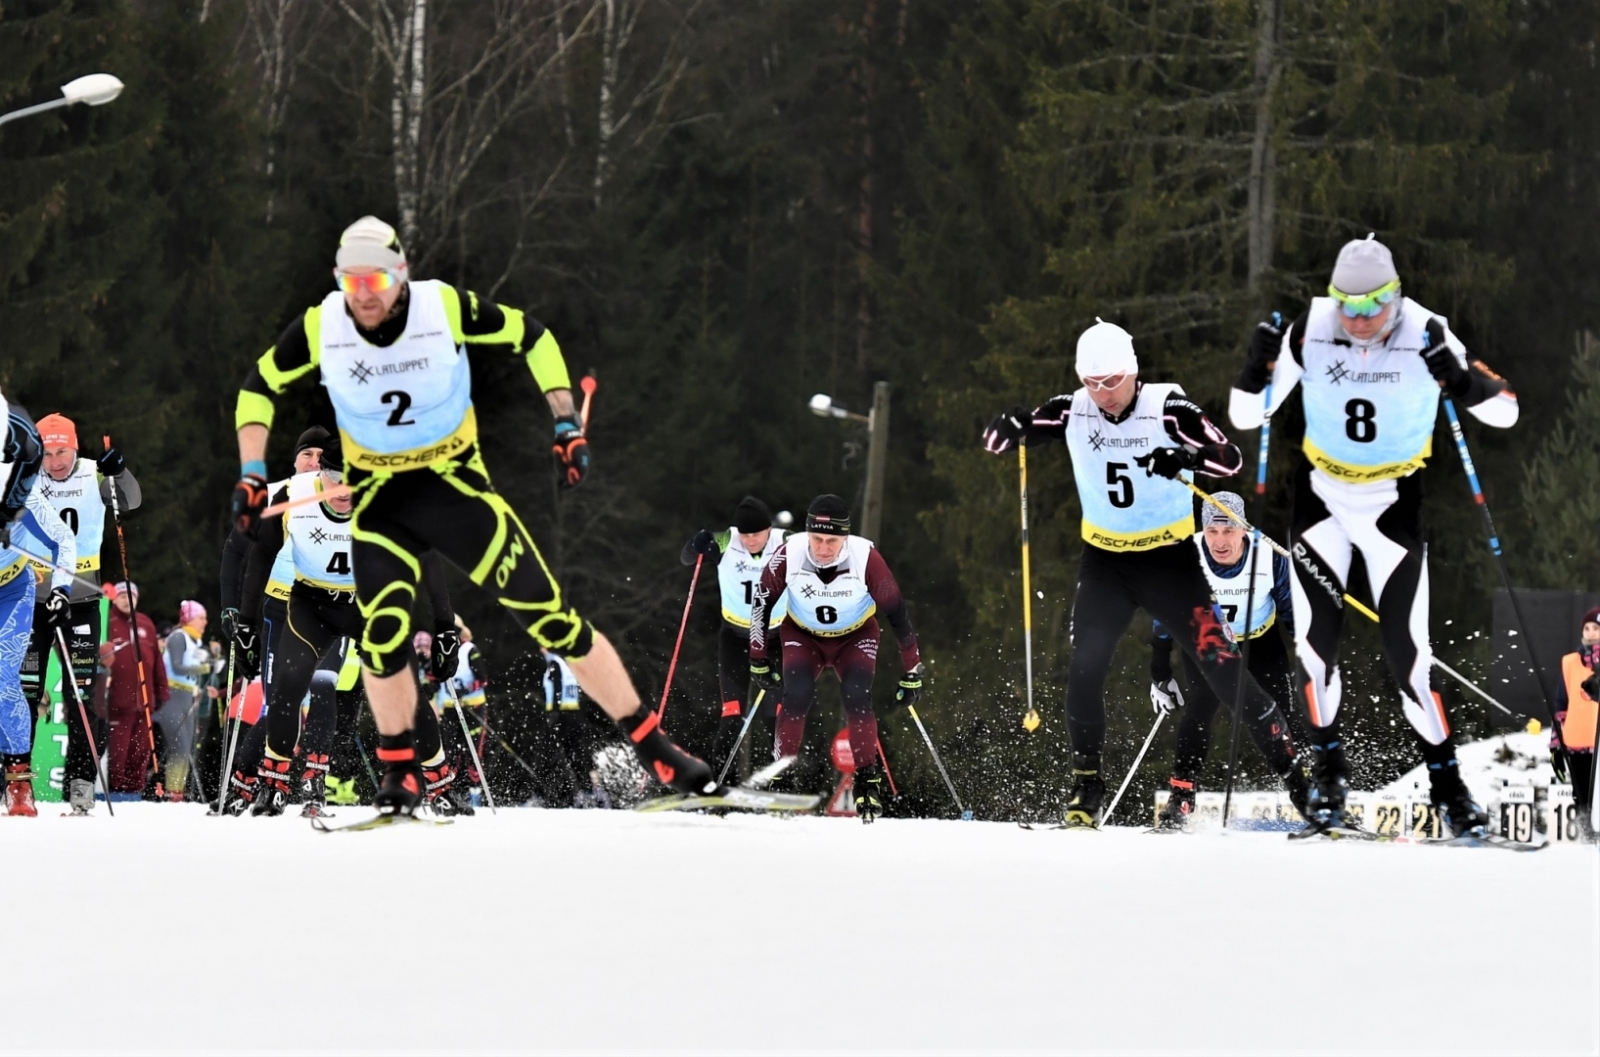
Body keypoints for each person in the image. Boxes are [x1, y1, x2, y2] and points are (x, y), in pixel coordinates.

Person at [228, 216, 713, 816]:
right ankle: (400, 769)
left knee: (554, 621)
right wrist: (252, 469)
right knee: (382, 638)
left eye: (378, 277)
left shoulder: (442, 307)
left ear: (401, 273)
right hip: (380, 501)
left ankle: (652, 744)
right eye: (352, 282)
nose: (367, 294)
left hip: (455, 489)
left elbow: (533, 337)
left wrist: (563, 420)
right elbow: (258, 386)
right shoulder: (321, 323)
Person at [1230, 235, 1520, 837]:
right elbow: (1245, 415)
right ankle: (1329, 781)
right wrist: (1253, 368)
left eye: (1374, 305)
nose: (1360, 321)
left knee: (1410, 660)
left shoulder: (1427, 329)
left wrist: (1461, 381)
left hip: (1392, 502)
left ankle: (1450, 790)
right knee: (1314, 651)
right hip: (1323, 500)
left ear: (1397, 295)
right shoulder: (1310, 327)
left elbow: (1508, 410)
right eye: (1348, 306)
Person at [983, 318, 1284, 828]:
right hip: (1105, 563)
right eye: (1091, 382)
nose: (1102, 394)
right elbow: (997, 443)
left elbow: (1229, 459)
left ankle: (1302, 780)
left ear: (1133, 371)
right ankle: (1086, 789)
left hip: (1168, 561)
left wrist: (1185, 456)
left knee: (1223, 667)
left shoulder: (1169, 408)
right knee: (1084, 670)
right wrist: (1010, 428)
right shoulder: (1072, 409)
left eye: (1112, 381)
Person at [747, 494, 923, 823]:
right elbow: (761, 602)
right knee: (796, 695)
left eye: (832, 540)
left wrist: (912, 668)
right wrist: (758, 657)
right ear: (807, 534)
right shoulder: (790, 553)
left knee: (857, 696)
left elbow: (897, 613)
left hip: (855, 637)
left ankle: (867, 779)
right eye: (817, 539)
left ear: (846, 538)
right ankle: (782, 776)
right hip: (803, 635)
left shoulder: (865, 558)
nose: (823, 548)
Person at [1149, 492, 1307, 829]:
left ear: (1244, 529)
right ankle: (1181, 799)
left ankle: (1311, 796)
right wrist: (1160, 671)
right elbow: (1163, 617)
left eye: (1229, 530)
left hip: (1260, 642)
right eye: (1212, 531)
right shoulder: (1186, 556)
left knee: (1284, 711)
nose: (1220, 541)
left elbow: (1293, 611)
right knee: (1201, 706)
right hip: (1209, 643)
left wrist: (1309, 654)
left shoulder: (1269, 556)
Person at [10, 413, 139, 814]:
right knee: (25, 689)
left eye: (61, 451)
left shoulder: (91, 473)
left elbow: (131, 500)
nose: (54, 461)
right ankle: (17, 780)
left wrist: (120, 472)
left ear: (75, 447)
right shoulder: (26, 475)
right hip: (31, 596)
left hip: (81, 595)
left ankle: (81, 783)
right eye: (47, 453)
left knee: (80, 693)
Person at [215, 426, 329, 808]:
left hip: (326, 609)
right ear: (295, 459)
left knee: (324, 690)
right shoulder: (275, 494)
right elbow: (235, 554)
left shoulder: (343, 496)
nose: (315, 462)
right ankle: (245, 781)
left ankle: (313, 783)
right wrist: (232, 607)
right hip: (277, 610)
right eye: (307, 454)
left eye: (321, 457)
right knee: (280, 701)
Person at [1, 401, 76, 816]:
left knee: (3, 677)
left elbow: (62, 541)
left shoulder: (19, 488)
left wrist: (62, 589)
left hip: (11, 590)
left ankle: (18, 782)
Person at [681, 496, 786, 773]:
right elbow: (687, 558)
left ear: (769, 529)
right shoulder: (727, 540)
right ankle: (719, 787)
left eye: (757, 534)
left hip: (776, 639)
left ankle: (783, 786)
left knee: (775, 717)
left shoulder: (786, 542)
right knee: (731, 716)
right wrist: (696, 543)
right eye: (746, 535)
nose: (751, 540)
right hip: (735, 639)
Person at [102, 581, 169, 797]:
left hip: (144, 701)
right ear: (114, 598)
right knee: (117, 750)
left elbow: (156, 661)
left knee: (140, 751)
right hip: (116, 702)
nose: (126, 600)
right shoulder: (106, 620)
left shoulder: (145, 623)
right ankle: (113, 791)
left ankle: (134, 792)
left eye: (131, 596)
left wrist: (162, 690)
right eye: (122, 595)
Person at [1551, 607, 1599, 840]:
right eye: (1587, 628)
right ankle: (1585, 836)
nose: (1590, 634)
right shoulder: (1570, 662)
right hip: (1577, 743)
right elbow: (1561, 706)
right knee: (1582, 798)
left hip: (1598, 744)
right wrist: (1555, 746)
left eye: (1596, 629)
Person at [157, 601, 212, 801]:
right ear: (189, 618)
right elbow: (178, 666)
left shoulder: (196, 641)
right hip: (171, 696)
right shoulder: (178, 637)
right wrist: (203, 669)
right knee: (179, 745)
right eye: (201, 618)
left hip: (187, 696)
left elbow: (203, 662)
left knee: (188, 746)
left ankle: (178, 791)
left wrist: (213, 664)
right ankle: (172, 791)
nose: (205, 622)